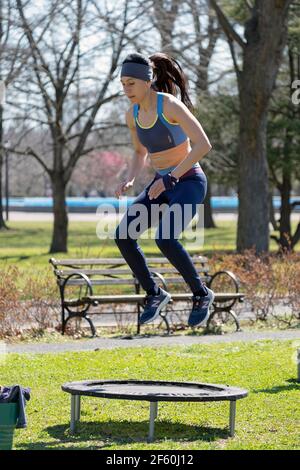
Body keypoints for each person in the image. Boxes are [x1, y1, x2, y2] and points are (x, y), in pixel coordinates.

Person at [114, 51, 214, 328]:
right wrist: (131, 177)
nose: (126, 89)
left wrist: (170, 178)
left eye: (131, 83)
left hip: (189, 182)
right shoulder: (131, 114)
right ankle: (155, 294)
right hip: (162, 185)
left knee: (166, 238)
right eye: (122, 83)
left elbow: (203, 145)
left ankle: (202, 294)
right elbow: (139, 152)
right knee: (123, 235)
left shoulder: (168, 105)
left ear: (148, 81)